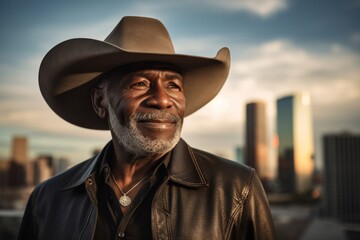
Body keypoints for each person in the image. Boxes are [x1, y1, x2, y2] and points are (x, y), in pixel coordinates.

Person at [18, 16, 275, 240]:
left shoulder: (237, 188)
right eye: (139, 83)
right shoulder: (48, 199)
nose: (162, 99)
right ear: (100, 101)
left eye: (174, 85)